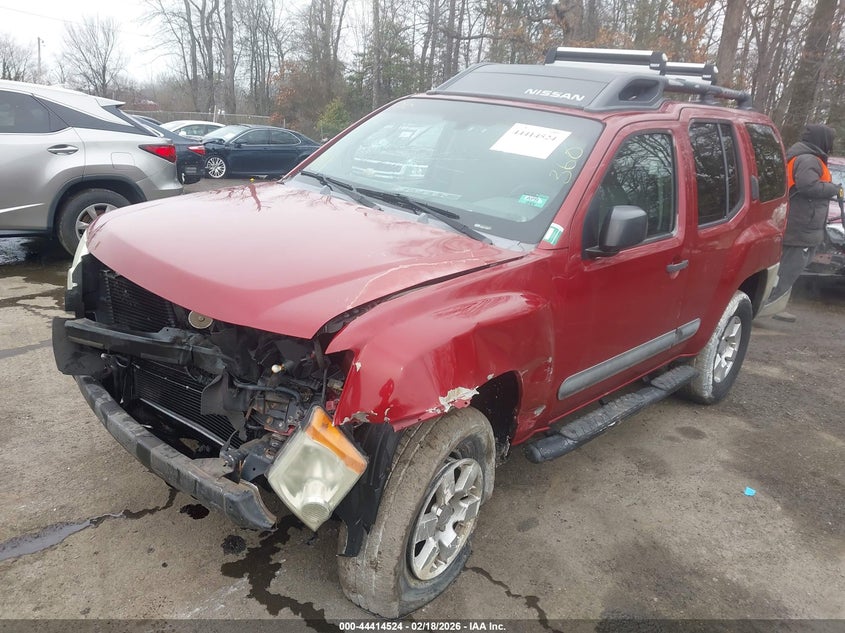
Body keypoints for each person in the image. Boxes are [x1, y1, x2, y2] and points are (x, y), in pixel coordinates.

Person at [767, 124, 842, 322]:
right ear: (822, 140)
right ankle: (770, 305)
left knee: (793, 263)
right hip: (800, 222)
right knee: (791, 266)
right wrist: (833, 189)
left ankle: (775, 303)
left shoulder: (806, 156)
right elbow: (807, 185)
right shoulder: (809, 159)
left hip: (802, 222)